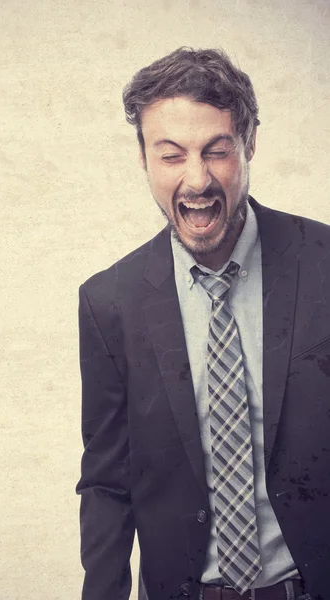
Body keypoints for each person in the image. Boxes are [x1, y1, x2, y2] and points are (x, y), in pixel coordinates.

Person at [76, 47, 330, 600]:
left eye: (217, 151)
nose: (196, 180)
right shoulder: (108, 303)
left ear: (250, 143)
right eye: (170, 156)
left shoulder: (325, 266)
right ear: (142, 157)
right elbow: (106, 484)